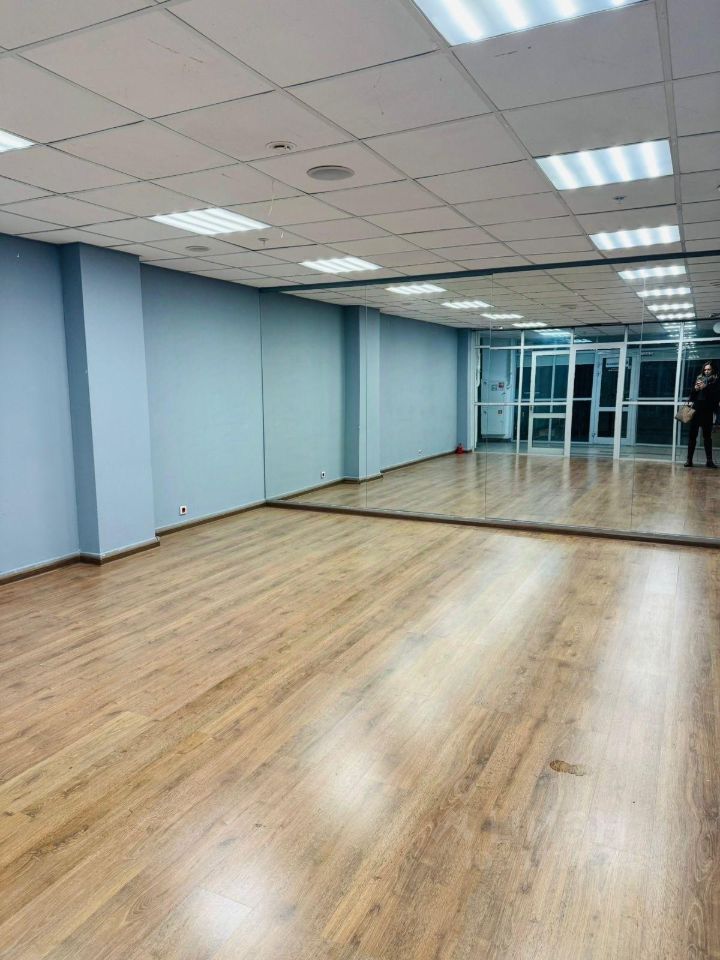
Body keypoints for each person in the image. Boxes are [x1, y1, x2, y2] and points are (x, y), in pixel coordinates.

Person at [684, 360, 720, 468]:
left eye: (709, 369)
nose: (707, 371)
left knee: (707, 437)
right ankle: (689, 460)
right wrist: (695, 389)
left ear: (712, 370)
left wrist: (706, 387)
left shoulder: (716, 381)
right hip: (696, 411)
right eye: (705, 369)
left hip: (707, 412)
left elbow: (716, 397)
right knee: (692, 436)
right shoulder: (699, 379)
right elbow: (692, 397)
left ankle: (709, 461)